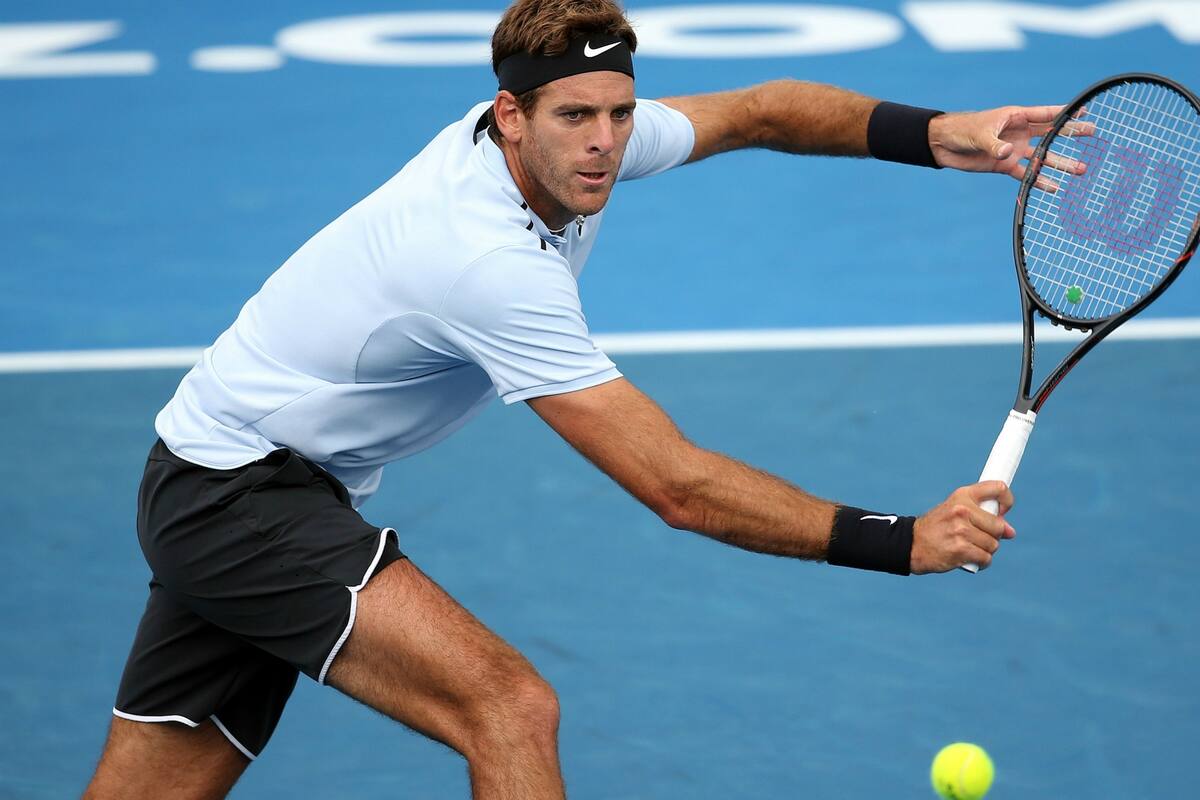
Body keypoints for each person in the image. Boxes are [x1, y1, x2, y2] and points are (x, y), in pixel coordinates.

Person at [83, 0, 1056, 796]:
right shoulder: (481, 260)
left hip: (236, 478)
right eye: (575, 118)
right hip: (239, 501)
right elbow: (679, 485)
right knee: (508, 706)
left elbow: (763, 108)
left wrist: (933, 134)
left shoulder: (579, 141)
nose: (604, 145)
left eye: (619, 113)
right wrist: (903, 539)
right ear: (510, 115)